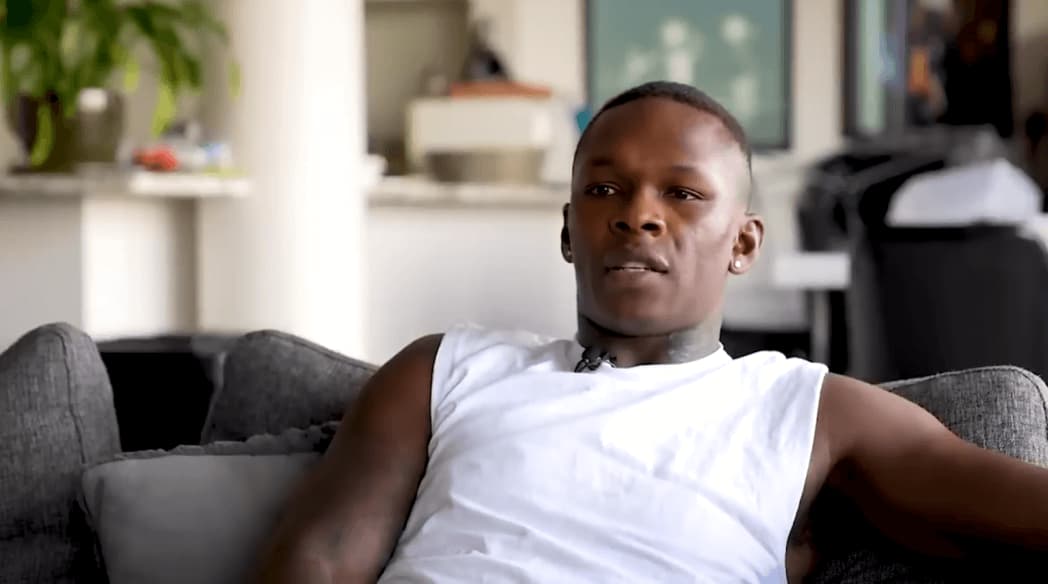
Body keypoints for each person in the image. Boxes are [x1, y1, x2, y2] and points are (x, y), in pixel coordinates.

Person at [251, 81, 1048, 583]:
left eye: (684, 193)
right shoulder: (443, 370)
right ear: (571, 232)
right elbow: (318, 561)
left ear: (743, 242)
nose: (637, 213)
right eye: (605, 189)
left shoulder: (810, 411)